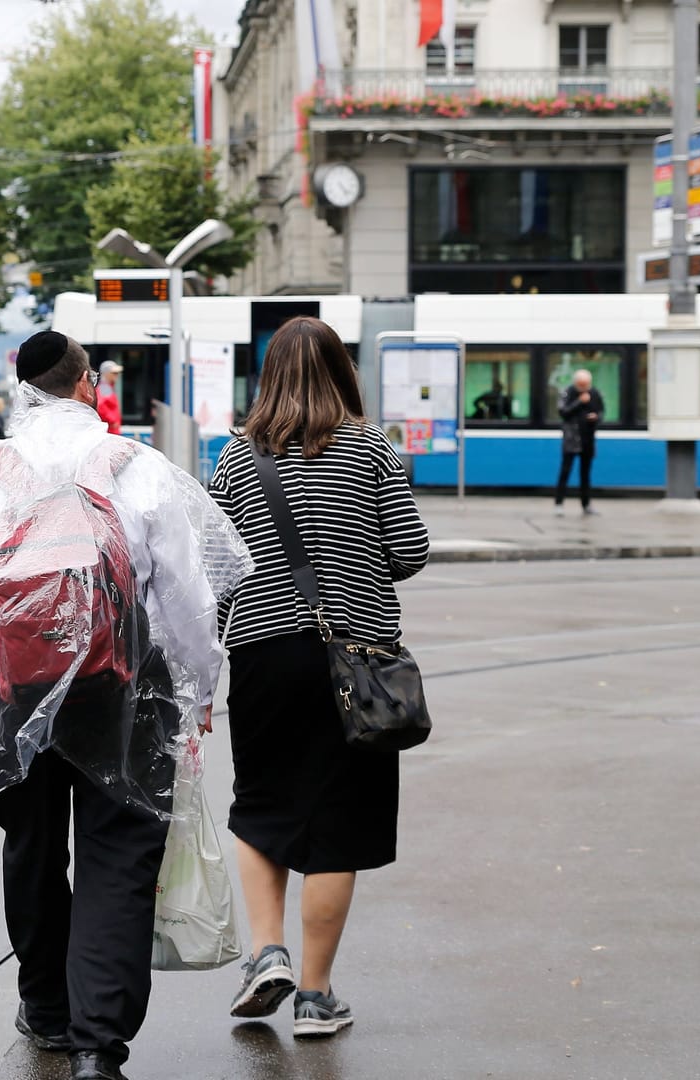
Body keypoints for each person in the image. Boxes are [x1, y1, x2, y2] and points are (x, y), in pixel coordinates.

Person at [0, 331, 250, 1080]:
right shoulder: (139, 468)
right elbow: (186, 596)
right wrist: (203, 682)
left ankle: (46, 1009)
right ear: (87, 384)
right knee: (119, 853)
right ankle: (98, 1045)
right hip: (124, 688)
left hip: (10, 688)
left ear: (23, 390)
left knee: (31, 849)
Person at [207, 316, 429, 1040]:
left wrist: (205, 668)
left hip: (263, 656)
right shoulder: (372, 449)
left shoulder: (235, 461)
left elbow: (212, 574)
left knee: (262, 804)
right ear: (344, 371)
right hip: (356, 660)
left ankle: (265, 953)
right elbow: (410, 551)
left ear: (268, 377)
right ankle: (314, 995)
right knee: (340, 821)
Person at [555, 369, 603, 516]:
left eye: (586, 384)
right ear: (576, 383)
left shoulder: (594, 393)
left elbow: (601, 412)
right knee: (565, 471)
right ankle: (559, 503)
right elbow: (563, 412)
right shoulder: (567, 393)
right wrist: (579, 402)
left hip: (587, 439)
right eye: (581, 384)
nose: (584, 387)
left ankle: (586, 504)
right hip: (571, 439)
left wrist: (596, 417)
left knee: (585, 474)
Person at [96, 360, 124, 435]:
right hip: (110, 431)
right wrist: (112, 421)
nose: (117, 375)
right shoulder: (105, 388)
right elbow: (99, 406)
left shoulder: (107, 387)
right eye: (114, 373)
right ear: (106, 374)